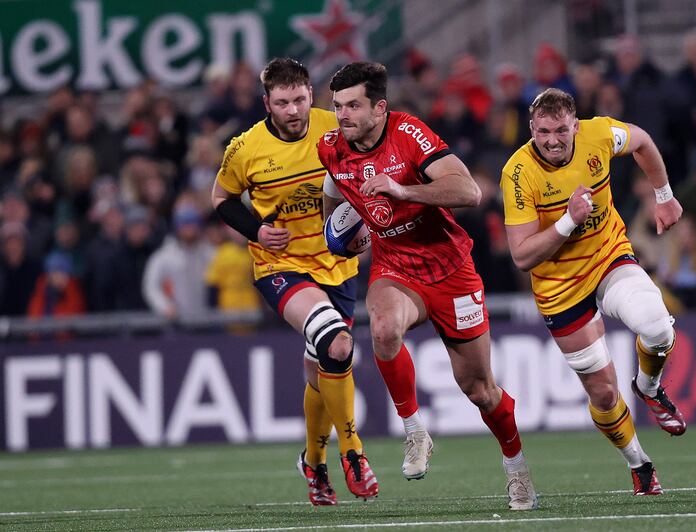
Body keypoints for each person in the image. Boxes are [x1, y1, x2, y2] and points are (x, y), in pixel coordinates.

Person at [319, 61, 537, 511]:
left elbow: (469, 191)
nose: (342, 115)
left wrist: (404, 191)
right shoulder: (331, 148)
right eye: (337, 106)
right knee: (382, 329)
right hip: (395, 267)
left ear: (380, 108)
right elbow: (335, 190)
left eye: (353, 105)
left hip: (450, 269)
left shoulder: (409, 133)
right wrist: (336, 233)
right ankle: (415, 430)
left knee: (479, 390)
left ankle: (516, 468)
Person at [500, 88, 686, 496]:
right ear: (532, 128)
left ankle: (649, 388)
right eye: (544, 131)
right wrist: (567, 222)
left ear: (575, 126)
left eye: (562, 131)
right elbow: (522, 255)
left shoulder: (599, 134)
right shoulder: (517, 172)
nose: (552, 140)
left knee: (657, 326)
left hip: (607, 257)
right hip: (558, 286)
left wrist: (664, 195)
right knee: (602, 392)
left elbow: (642, 142)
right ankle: (639, 463)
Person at [211, 58, 377, 505]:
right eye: (282, 102)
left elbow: (369, 172)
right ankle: (353, 451)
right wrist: (257, 231)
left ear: (311, 96)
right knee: (338, 345)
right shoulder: (244, 148)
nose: (292, 110)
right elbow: (221, 199)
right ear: (267, 102)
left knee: (323, 368)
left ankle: (314, 462)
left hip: (337, 268)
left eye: (300, 99)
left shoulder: (335, 126)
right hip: (279, 267)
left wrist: (367, 222)